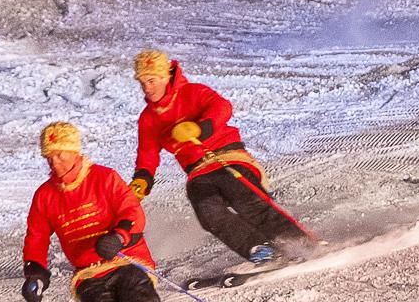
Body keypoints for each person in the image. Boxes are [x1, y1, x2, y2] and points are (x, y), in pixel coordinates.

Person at [21, 121, 219, 302]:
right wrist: (35, 272)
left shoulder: (103, 177)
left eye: (60, 154)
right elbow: (36, 238)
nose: (54, 162)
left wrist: (118, 237)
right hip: (89, 274)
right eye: (49, 157)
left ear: (74, 152)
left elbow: (132, 213)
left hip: (126, 261)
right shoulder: (45, 196)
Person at [129, 49, 312, 270]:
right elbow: (147, 155)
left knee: (249, 204)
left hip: (227, 158)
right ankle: (261, 250)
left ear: (165, 77)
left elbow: (222, 107)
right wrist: (142, 180)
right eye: (142, 82)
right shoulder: (148, 118)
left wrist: (200, 128)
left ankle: (301, 243)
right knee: (209, 214)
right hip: (198, 172)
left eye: (151, 80)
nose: (147, 88)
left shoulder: (193, 92)